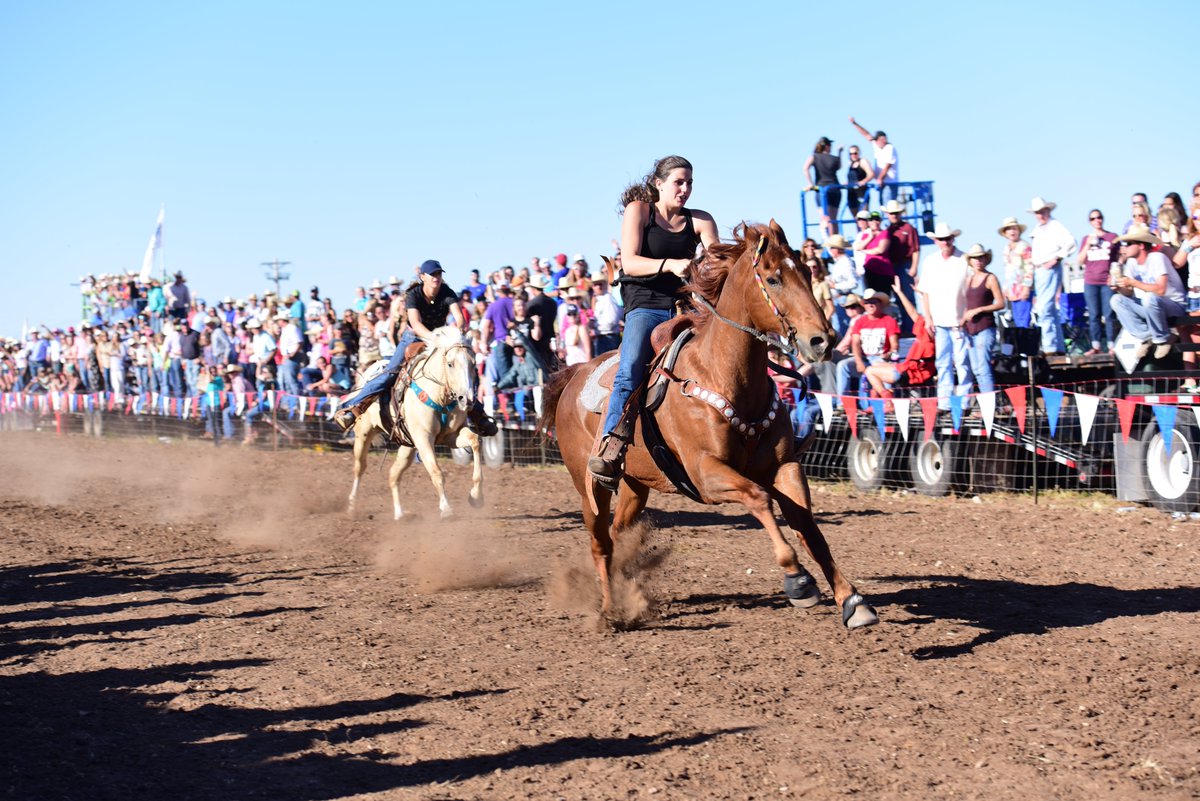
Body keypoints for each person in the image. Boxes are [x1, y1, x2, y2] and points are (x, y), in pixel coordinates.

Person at [588, 155, 720, 484]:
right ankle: (610, 444)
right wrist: (671, 265)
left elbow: (717, 264)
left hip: (686, 304)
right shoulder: (639, 211)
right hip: (645, 303)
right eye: (679, 182)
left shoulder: (701, 220)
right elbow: (630, 263)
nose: (685, 189)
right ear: (659, 184)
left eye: (690, 182)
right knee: (631, 366)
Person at [334, 260, 497, 435]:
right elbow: (415, 323)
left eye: (439, 274)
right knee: (391, 372)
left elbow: (459, 317)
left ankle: (479, 416)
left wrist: (456, 333)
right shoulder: (414, 294)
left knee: (461, 370)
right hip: (414, 338)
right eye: (433, 274)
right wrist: (435, 338)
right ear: (422, 277)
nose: (436, 277)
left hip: (439, 340)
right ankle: (353, 408)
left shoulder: (447, 292)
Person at [916, 223, 971, 411]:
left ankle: (964, 401)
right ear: (936, 241)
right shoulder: (931, 261)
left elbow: (971, 289)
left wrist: (967, 314)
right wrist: (928, 318)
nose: (945, 242)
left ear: (953, 239)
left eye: (948, 238)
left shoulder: (964, 259)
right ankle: (945, 401)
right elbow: (925, 292)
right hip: (939, 321)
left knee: (963, 361)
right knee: (943, 362)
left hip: (959, 320)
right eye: (941, 239)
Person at [1111, 226, 1186, 359]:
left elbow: (1160, 290)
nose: (1125, 248)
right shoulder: (1132, 263)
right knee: (1116, 300)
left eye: (1128, 244)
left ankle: (1162, 338)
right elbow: (1128, 293)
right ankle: (1147, 337)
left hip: (1175, 306)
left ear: (1140, 245)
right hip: (1152, 306)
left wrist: (1132, 282)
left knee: (1150, 298)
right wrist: (1119, 288)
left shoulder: (1157, 257)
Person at [864, 276, 935, 403]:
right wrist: (899, 292)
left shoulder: (931, 330)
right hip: (907, 368)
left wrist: (923, 295)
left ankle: (887, 402)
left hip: (912, 373)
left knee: (870, 371)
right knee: (876, 365)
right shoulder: (924, 326)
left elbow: (920, 311)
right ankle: (879, 400)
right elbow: (912, 311)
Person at [1027, 196, 1075, 354]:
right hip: (1040, 268)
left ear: (1047, 211)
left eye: (1042, 212)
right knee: (1049, 309)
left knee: (1044, 308)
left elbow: (1070, 242)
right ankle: (1058, 346)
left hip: (1049, 267)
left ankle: (1049, 346)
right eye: (1037, 213)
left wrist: (1057, 257)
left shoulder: (1055, 226)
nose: (1040, 215)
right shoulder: (1039, 229)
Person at [960, 244, 1005, 395]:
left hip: (985, 326)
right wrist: (962, 320)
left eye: (981, 257)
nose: (978, 260)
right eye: (975, 258)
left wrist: (980, 309)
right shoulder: (968, 280)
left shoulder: (990, 278)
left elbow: (1000, 303)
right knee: (976, 369)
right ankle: (986, 401)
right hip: (970, 328)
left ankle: (989, 403)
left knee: (983, 367)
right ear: (970, 261)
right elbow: (966, 304)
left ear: (985, 259)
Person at [1077, 209, 1120, 353]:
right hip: (1091, 281)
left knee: (1109, 314)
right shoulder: (1086, 239)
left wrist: (1116, 274)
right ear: (1090, 221)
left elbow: (1120, 256)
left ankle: (1111, 345)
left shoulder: (1112, 236)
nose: (1097, 220)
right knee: (1094, 315)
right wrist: (1088, 244)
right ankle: (1095, 346)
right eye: (1093, 218)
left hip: (1106, 280)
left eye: (1099, 217)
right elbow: (1080, 261)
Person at [883, 199, 921, 335]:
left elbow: (915, 249)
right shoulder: (887, 230)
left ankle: (911, 328)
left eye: (896, 213)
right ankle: (905, 327)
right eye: (891, 213)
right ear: (888, 214)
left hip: (905, 265)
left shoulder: (908, 228)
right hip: (891, 267)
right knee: (898, 298)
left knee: (908, 296)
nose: (894, 215)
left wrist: (914, 267)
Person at [848, 117, 899, 203]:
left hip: (889, 183)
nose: (883, 141)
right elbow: (867, 135)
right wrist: (855, 124)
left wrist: (880, 178)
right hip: (881, 183)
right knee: (883, 206)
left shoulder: (889, 148)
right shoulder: (877, 146)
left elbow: (888, 165)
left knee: (889, 207)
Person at [998, 216, 1034, 328]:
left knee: (1023, 321)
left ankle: (1025, 344)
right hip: (1012, 290)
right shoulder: (1006, 249)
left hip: (1022, 288)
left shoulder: (1024, 246)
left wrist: (1027, 287)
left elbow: (1030, 267)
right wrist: (1005, 288)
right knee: (1016, 321)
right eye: (1009, 229)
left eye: (1014, 228)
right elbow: (1007, 270)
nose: (1012, 231)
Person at [803, 137, 842, 237]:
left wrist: (811, 184)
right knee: (833, 219)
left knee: (825, 218)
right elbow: (839, 166)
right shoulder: (834, 158)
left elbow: (805, 168)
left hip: (822, 190)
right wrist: (839, 153)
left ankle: (829, 242)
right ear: (827, 146)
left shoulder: (815, 157)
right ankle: (836, 241)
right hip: (835, 189)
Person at [859, 212, 893, 293]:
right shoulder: (866, 235)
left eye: (877, 219)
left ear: (880, 221)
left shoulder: (885, 233)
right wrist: (870, 237)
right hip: (870, 271)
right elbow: (858, 247)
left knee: (883, 296)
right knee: (871, 296)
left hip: (883, 271)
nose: (874, 222)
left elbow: (881, 249)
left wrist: (864, 251)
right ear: (868, 222)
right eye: (871, 220)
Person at [845, 144, 875, 218]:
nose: (853, 155)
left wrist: (864, 181)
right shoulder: (850, 164)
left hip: (861, 193)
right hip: (851, 194)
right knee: (856, 218)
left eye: (855, 153)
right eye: (851, 154)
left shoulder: (863, 161)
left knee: (864, 216)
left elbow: (871, 174)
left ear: (858, 153)